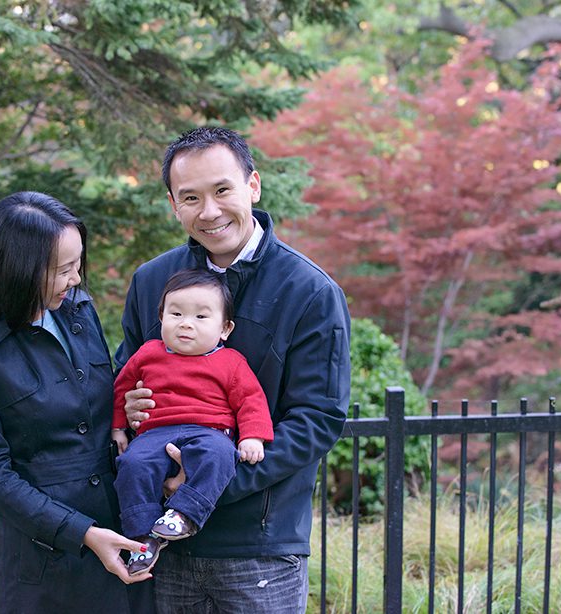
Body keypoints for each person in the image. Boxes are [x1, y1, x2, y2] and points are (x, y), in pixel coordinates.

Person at [115, 127, 351, 613]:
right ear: (173, 205)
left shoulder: (309, 291)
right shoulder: (152, 281)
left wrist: (207, 484)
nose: (209, 211)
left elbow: (317, 418)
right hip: (160, 548)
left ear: (253, 186)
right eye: (190, 197)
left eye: (222, 190)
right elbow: (124, 377)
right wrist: (129, 410)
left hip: (259, 546)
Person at [0, 191, 155, 614]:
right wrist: (83, 533)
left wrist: (125, 413)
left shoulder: (78, 310)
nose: (76, 279)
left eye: (78, 265)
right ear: (19, 269)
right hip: (46, 560)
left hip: (124, 532)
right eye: (63, 270)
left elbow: (97, 404)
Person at [111, 268, 274, 576]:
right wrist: (118, 427)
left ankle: (184, 514)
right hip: (155, 432)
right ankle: (142, 537)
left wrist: (252, 436)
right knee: (132, 463)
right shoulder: (148, 353)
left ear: (225, 328)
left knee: (220, 455)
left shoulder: (231, 362)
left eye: (201, 317)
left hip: (209, 431)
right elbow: (122, 387)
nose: (186, 323)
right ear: (161, 317)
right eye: (176, 314)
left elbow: (250, 400)